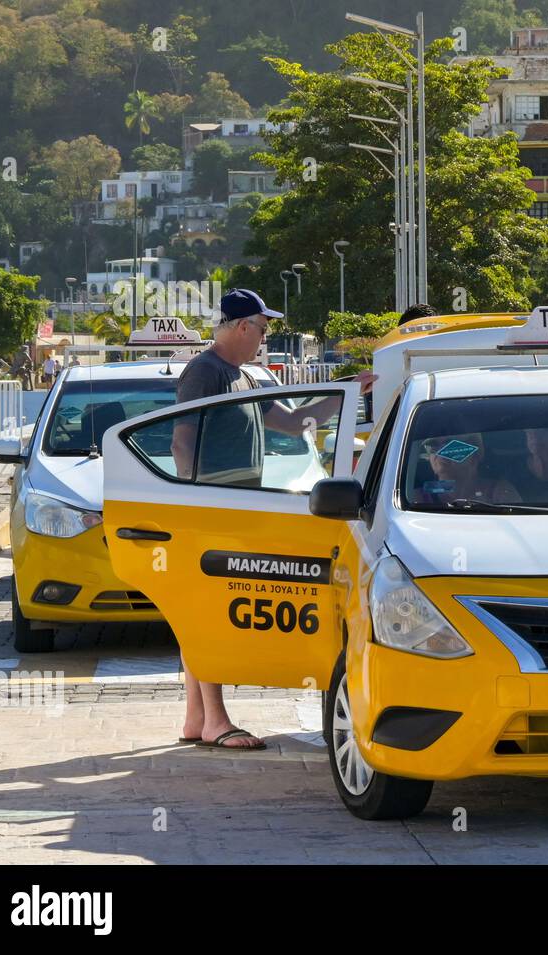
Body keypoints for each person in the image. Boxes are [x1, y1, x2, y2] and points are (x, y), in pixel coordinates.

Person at [170, 288, 376, 750]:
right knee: (207, 614)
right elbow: (181, 440)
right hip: (213, 508)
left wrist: (346, 391)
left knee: (200, 612)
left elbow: (296, 421)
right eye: (262, 329)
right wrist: (193, 501)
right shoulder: (204, 372)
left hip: (233, 505)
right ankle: (216, 721)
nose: (264, 338)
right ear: (242, 326)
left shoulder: (241, 377)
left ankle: (197, 719)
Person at [413, 432, 519, 505]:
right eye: (433, 446)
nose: (440, 452)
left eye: (451, 445)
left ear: (474, 456)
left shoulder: (499, 492)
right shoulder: (417, 498)